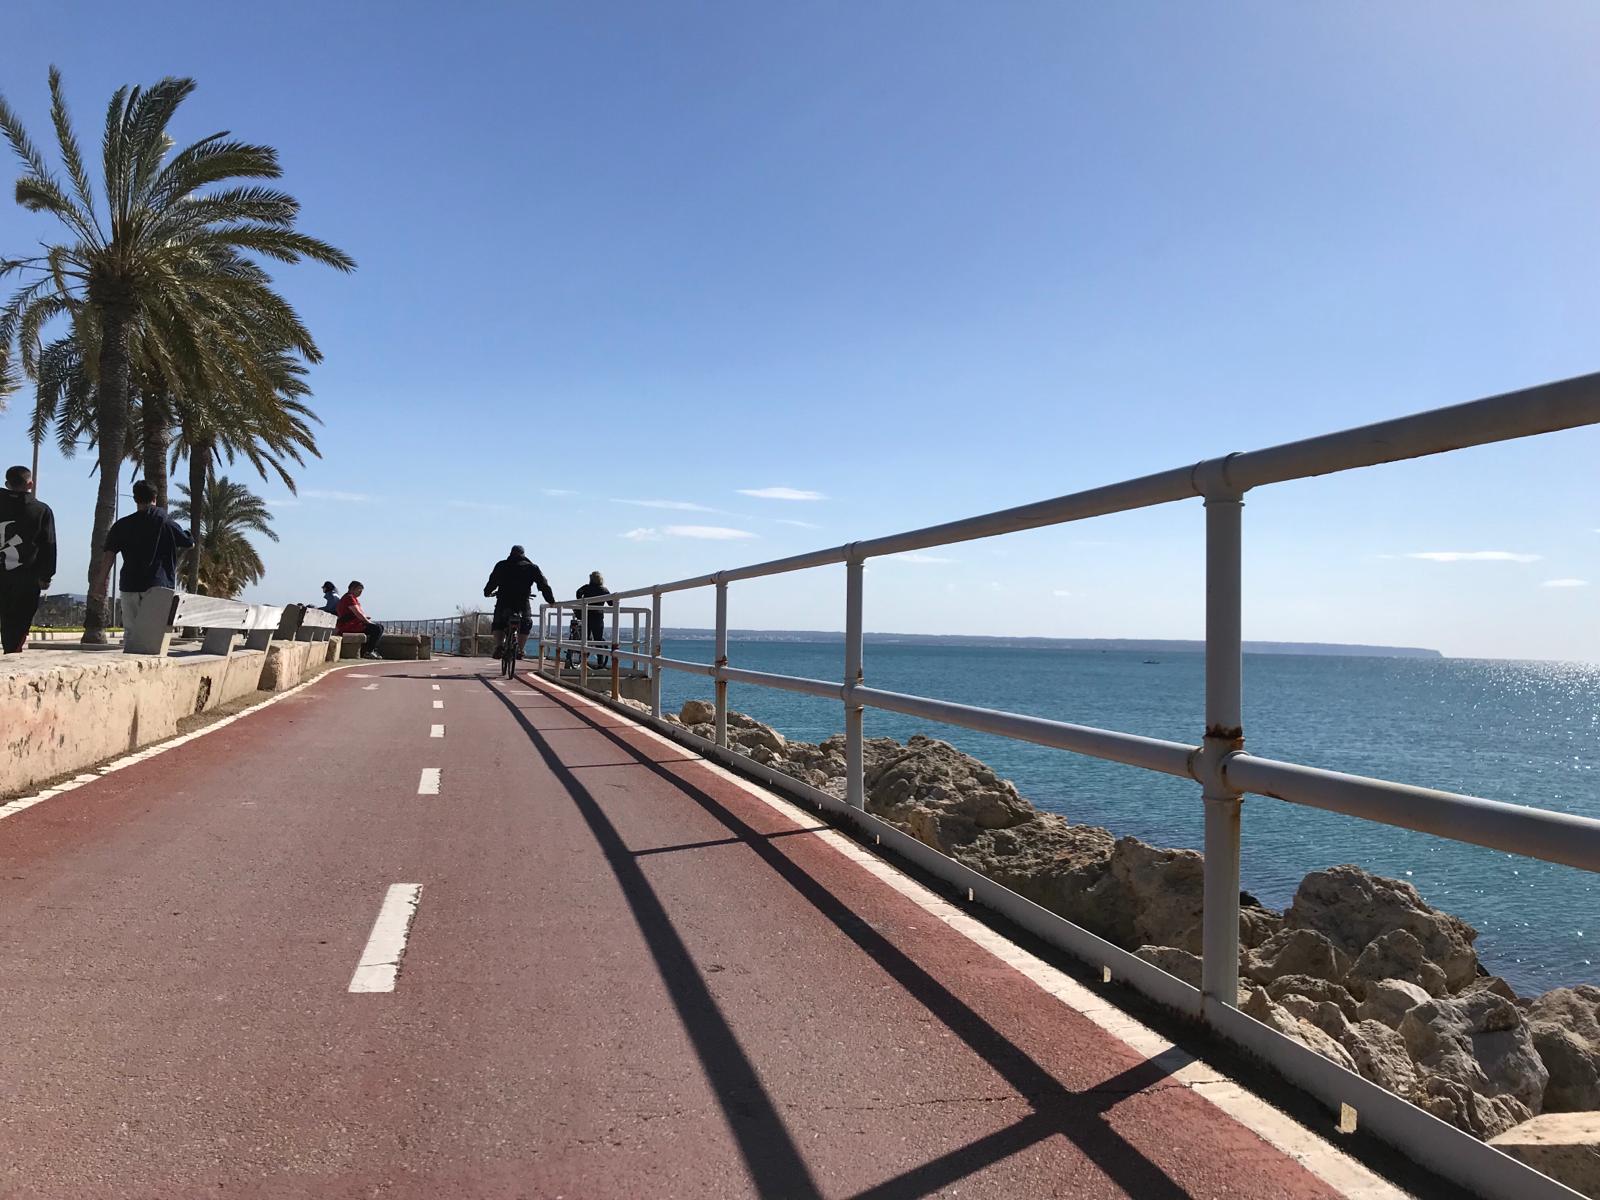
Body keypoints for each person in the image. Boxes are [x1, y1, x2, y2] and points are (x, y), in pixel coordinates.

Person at [104, 479, 193, 630]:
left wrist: (101, 583)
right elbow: (189, 543)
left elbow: (109, 556)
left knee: (131, 634)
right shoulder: (166, 523)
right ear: (155, 498)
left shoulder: (122, 525)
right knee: (154, 634)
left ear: (135, 499)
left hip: (129, 586)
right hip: (158, 587)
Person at [0, 465, 56, 654]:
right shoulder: (41, 510)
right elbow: (48, 544)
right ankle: (12, 652)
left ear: (7, 483)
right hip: (26, 578)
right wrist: (46, 575)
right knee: (18, 622)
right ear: (30, 484)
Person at [482, 544, 555, 660]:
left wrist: (487, 592)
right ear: (523, 554)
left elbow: (492, 582)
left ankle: (499, 646)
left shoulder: (501, 565)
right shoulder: (532, 567)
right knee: (526, 622)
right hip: (522, 601)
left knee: (498, 622)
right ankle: (520, 649)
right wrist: (551, 600)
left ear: (510, 553)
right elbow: (543, 585)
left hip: (504, 600)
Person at [336, 581, 385, 659]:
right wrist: (367, 621)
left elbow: (360, 613)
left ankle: (370, 650)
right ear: (352, 589)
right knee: (377, 629)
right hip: (349, 626)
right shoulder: (349, 598)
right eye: (359, 590)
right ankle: (369, 652)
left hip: (353, 624)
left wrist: (366, 618)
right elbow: (358, 613)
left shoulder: (352, 598)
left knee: (379, 627)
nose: (361, 592)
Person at [575, 570, 613, 670]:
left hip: (587, 616)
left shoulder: (586, 588)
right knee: (598, 640)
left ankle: (583, 661)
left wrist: (581, 601)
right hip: (598, 617)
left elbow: (578, 592)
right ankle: (600, 663)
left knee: (585, 639)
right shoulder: (604, 590)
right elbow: (611, 603)